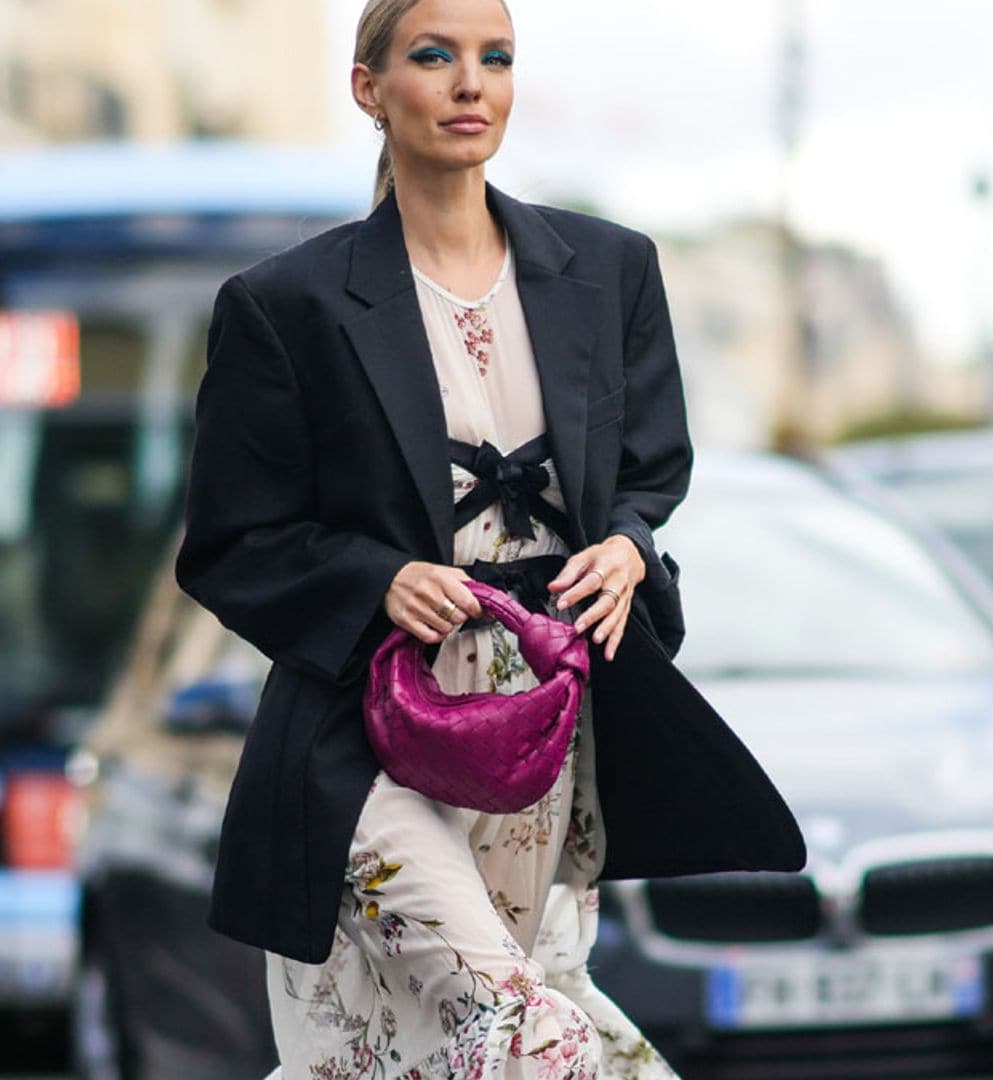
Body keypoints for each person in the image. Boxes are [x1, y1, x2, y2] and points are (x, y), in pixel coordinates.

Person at [175, 0, 804, 1074]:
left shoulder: (609, 272)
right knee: (526, 1028)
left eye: (494, 58)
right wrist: (375, 580)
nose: (471, 83)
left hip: (541, 726)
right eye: (435, 56)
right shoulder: (286, 305)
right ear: (370, 87)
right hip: (365, 740)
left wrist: (629, 544)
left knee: (444, 1052)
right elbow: (230, 544)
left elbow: (650, 471)